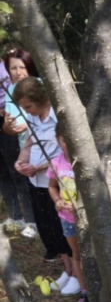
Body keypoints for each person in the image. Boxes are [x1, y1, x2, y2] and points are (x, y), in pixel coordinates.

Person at [12, 77, 74, 275]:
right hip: (35, 179)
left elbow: (64, 153)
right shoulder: (33, 117)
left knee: (61, 226)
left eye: (28, 106)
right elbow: (30, 140)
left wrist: (40, 166)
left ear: (39, 99)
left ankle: (75, 270)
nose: (27, 111)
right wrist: (21, 160)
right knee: (47, 227)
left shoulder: (59, 115)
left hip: (55, 181)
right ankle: (67, 269)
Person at [47, 138, 88, 302]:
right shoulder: (56, 162)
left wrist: (80, 205)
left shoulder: (86, 161)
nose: (68, 143)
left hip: (86, 218)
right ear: (58, 140)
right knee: (76, 254)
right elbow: (52, 187)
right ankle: (84, 290)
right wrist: (57, 201)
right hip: (67, 218)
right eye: (64, 139)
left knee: (91, 254)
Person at [0, 47, 36, 236]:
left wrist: (23, 124)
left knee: (23, 176)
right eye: (14, 68)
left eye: (21, 67)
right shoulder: (10, 86)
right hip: (17, 136)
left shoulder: (38, 84)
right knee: (9, 175)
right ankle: (23, 219)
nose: (18, 71)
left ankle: (33, 221)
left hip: (38, 144)